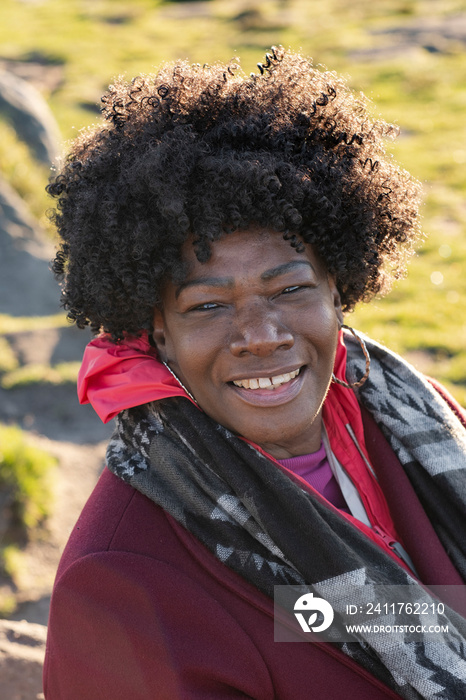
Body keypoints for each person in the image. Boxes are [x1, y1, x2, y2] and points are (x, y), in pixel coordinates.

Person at [43, 48, 466, 699]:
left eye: (290, 289)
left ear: (338, 291)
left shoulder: (421, 421)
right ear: (157, 331)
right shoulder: (121, 582)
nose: (262, 337)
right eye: (208, 306)